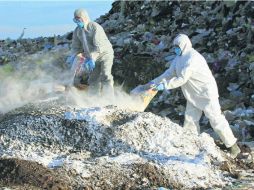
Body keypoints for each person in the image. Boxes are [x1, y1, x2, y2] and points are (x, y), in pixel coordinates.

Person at [144, 34, 241, 158]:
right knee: (190, 119)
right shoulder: (179, 58)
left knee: (216, 119)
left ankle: (232, 146)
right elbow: (169, 73)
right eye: (174, 47)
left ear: (184, 45)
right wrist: (154, 82)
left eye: (177, 46)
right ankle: (192, 143)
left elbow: (182, 79)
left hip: (206, 93)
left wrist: (164, 86)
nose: (175, 49)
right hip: (193, 93)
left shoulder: (192, 58)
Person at [69, 8, 114, 97]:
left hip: (105, 54)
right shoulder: (77, 31)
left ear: (84, 18)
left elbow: (99, 47)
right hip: (91, 58)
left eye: (79, 19)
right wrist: (73, 56)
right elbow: (75, 46)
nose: (77, 22)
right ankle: (94, 99)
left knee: (105, 75)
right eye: (75, 20)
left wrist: (92, 58)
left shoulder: (94, 27)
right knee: (93, 79)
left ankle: (110, 99)